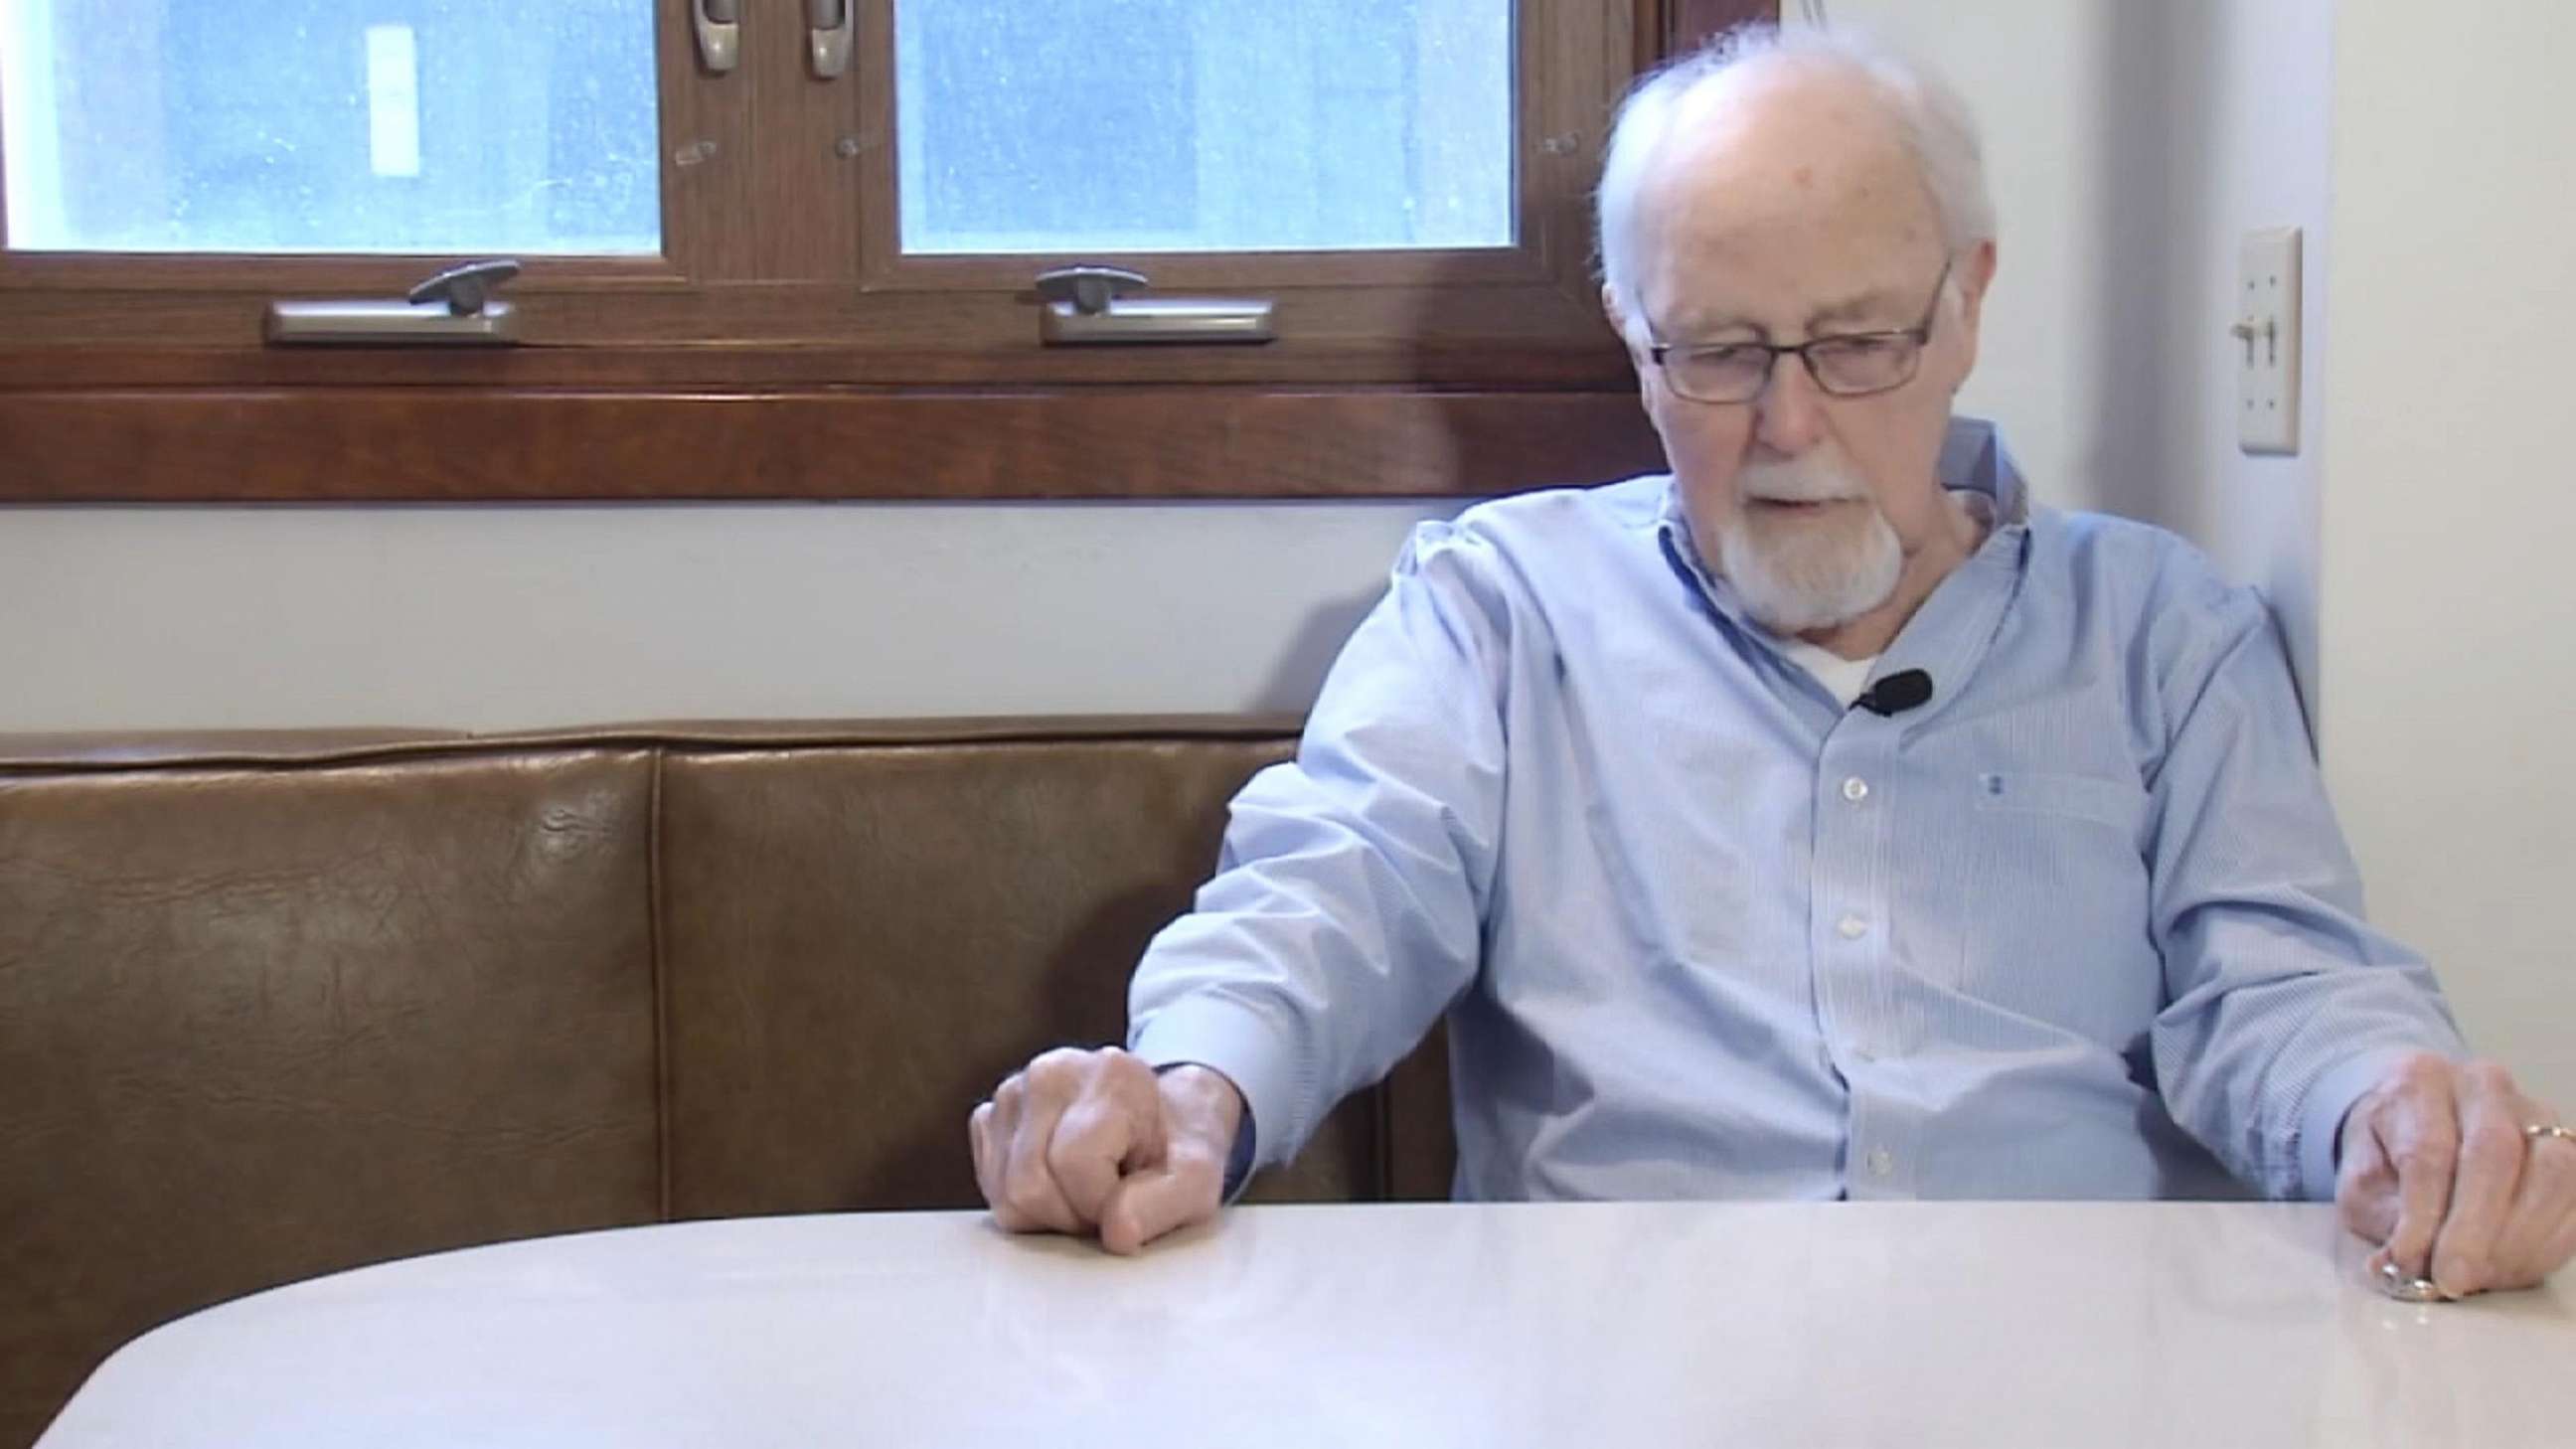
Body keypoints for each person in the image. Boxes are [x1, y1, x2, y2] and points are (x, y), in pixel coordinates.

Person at [967, 25, 2576, 1298]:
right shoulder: (1501, 608)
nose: (1791, 424)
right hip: (1618, 1380)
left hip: (2080, 1370)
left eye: (1861, 340)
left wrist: (2394, 1112)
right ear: (1633, 335)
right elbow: (1336, 893)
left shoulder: (2165, 633)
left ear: (1968, 306)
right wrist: (1191, 1087)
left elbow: (2282, 982)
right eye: (1720, 352)